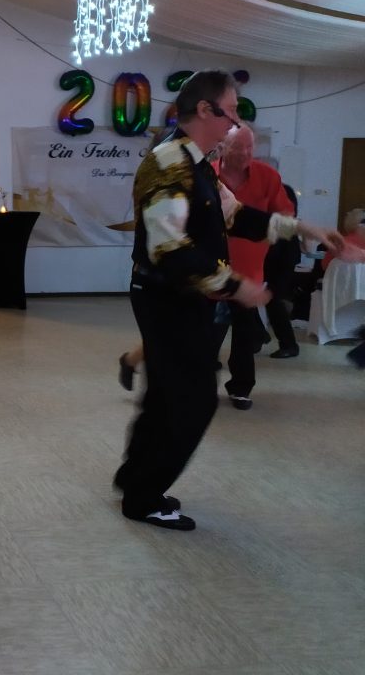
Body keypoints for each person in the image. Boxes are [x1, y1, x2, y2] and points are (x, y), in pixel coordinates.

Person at [114, 70, 341, 531]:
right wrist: (237, 286)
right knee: (192, 400)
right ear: (206, 109)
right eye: (232, 111)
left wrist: (302, 228)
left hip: (179, 296)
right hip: (168, 297)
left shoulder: (195, 162)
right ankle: (143, 497)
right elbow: (169, 249)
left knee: (166, 394)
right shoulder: (169, 162)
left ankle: (135, 479)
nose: (236, 121)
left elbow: (235, 216)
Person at [212, 124, 294, 410]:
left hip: (249, 275)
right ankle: (199, 385)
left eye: (250, 147)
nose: (245, 153)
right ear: (222, 148)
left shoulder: (268, 176)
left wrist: (271, 235)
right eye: (238, 147)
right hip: (211, 274)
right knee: (205, 334)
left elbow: (285, 215)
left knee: (245, 336)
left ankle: (240, 388)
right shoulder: (207, 175)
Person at [261, 183, 302, 359]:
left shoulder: (281, 196)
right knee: (256, 299)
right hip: (277, 260)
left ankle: (289, 344)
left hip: (280, 262)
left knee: (273, 301)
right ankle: (259, 335)